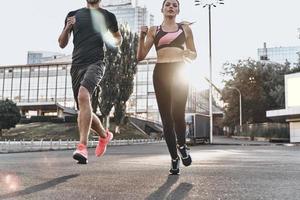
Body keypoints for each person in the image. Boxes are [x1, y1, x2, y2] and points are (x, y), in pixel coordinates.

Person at [58, 0, 122, 164]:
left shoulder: (108, 16)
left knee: (83, 95)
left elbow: (118, 39)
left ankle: (82, 147)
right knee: (83, 107)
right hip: (76, 65)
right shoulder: (73, 15)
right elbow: (62, 43)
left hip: (96, 63)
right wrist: (67, 27)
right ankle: (104, 135)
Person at [137, 0, 197, 175]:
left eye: (174, 5)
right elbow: (140, 56)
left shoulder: (185, 29)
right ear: (162, 9)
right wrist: (141, 36)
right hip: (161, 72)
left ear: (178, 10)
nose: (171, 7)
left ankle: (182, 146)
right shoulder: (154, 30)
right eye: (168, 4)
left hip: (180, 71)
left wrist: (188, 53)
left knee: (178, 114)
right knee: (166, 119)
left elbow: (194, 54)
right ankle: (174, 158)